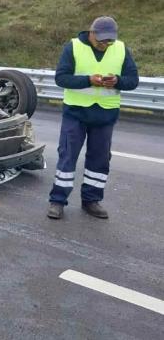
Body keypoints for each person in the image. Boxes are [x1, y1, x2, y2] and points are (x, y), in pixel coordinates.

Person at [47, 16, 138, 220]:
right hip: (76, 113)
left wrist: (117, 81)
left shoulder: (121, 49)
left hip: (105, 114)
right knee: (68, 156)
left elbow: (133, 80)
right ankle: (57, 200)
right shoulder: (73, 47)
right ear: (92, 33)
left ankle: (91, 200)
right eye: (102, 40)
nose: (105, 44)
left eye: (109, 41)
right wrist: (88, 80)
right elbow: (61, 78)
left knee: (100, 159)